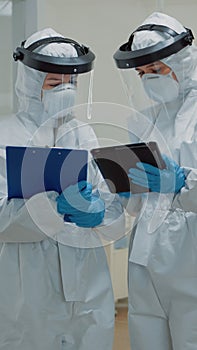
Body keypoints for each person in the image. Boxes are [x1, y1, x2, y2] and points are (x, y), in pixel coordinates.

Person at [0, 28, 125, 350]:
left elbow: (109, 199)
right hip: (28, 275)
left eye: (71, 84)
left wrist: (98, 211)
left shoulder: (84, 134)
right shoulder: (5, 135)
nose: (65, 91)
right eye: (54, 84)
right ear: (29, 82)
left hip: (87, 273)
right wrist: (50, 207)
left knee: (91, 338)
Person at [113, 12, 197, 350]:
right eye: (142, 73)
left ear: (180, 61)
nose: (149, 79)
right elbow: (137, 204)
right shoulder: (142, 121)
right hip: (146, 258)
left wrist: (184, 184)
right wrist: (122, 188)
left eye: (156, 69)